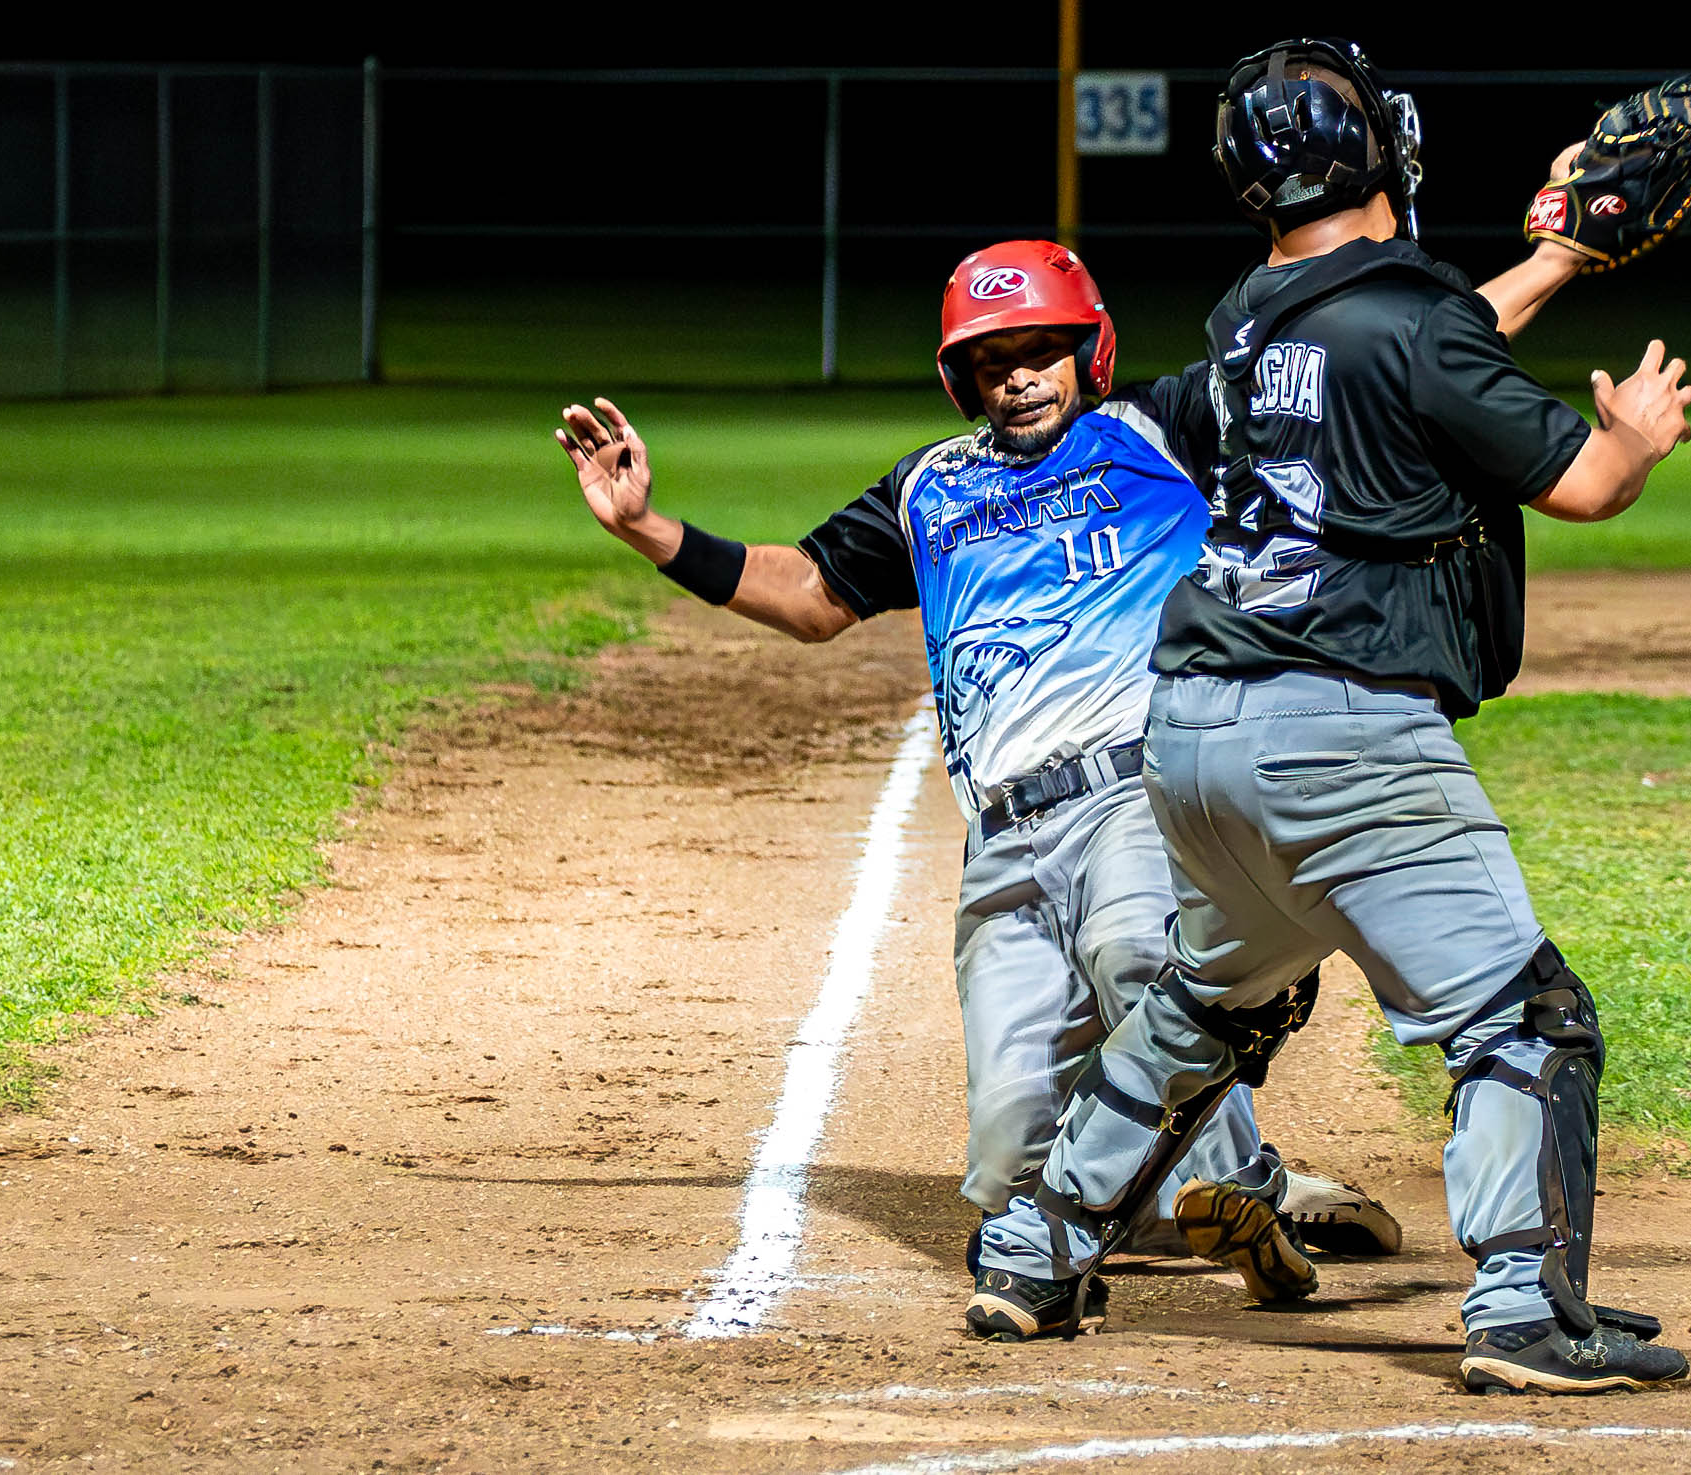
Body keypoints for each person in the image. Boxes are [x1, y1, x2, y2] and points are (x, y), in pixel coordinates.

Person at [973, 39, 1691, 1396]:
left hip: (1192, 738)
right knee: (1527, 1021)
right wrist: (1640, 436)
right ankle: (1525, 1309)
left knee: (1209, 1008)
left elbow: (1408, 357)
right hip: (1342, 741)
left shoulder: (1255, 319)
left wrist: (1553, 258)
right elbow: (1580, 479)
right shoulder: (1406, 321)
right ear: (1375, 150)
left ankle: (1034, 1246)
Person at [553, 241, 1408, 1333]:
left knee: (1141, 959)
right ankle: (1238, 1197)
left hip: (1133, 796)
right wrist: (649, 530)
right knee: (1013, 1162)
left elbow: (1345, 361)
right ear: (962, 377)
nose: (1017, 374)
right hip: (1001, 843)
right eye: (991, 356)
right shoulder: (930, 485)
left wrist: (1547, 263)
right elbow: (813, 592)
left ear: (1086, 350)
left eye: (1039, 348)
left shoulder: (1166, 430)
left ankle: (1236, 1183)